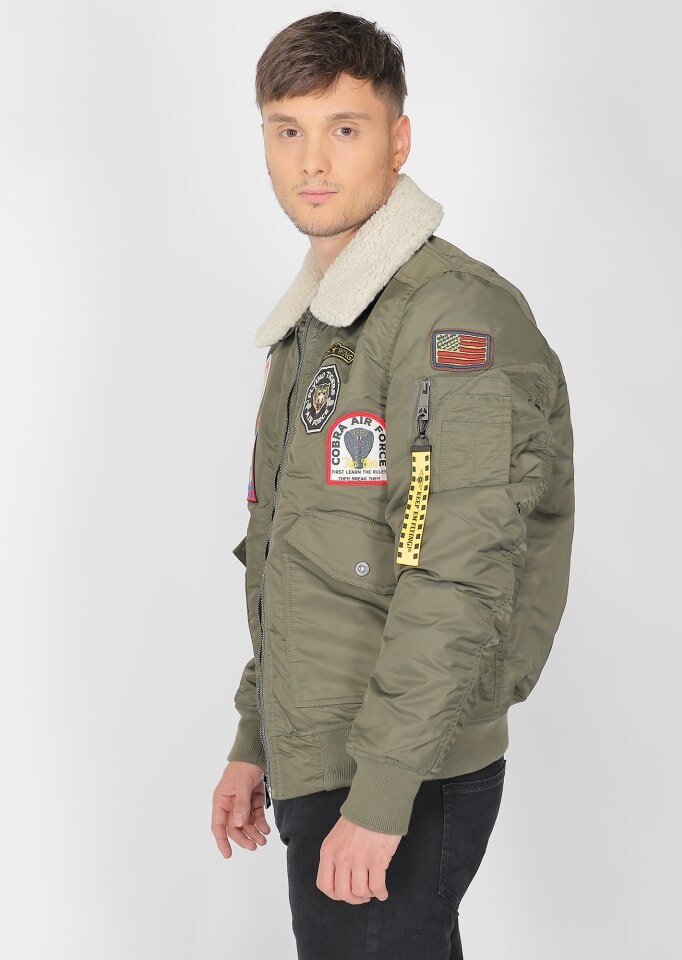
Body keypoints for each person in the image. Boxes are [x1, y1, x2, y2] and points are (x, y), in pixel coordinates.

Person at [211, 11, 574, 959]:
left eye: (345, 128)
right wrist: (255, 738)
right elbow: (297, 557)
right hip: (325, 755)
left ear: (398, 139)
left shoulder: (456, 320)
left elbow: (459, 575)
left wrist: (380, 796)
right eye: (287, 131)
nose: (311, 161)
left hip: (402, 773)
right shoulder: (317, 328)